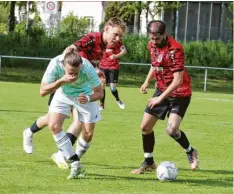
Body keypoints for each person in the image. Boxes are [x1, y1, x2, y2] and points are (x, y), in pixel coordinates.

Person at [23, 17, 127, 168]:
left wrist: (97, 73)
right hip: (67, 83)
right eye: (115, 34)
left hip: (81, 86)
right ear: (106, 29)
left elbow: (90, 64)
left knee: (78, 121)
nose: (117, 39)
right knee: (51, 119)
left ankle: (64, 155)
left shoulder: (106, 45)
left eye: (120, 36)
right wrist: (64, 71)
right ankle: (29, 132)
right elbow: (70, 49)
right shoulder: (92, 38)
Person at [131, 20, 199, 175]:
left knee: (172, 130)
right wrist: (147, 81)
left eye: (157, 38)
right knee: (145, 127)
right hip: (161, 90)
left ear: (164, 34)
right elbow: (154, 64)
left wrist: (159, 98)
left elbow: (178, 80)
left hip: (180, 93)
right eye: (151, 38)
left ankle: (191, 151)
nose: (153, 42)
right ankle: (149, 162)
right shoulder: (151, 45)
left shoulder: (175, 49)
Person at [40, 49, 103, 179]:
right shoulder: (55, 64)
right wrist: (61, 81)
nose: (74, 76)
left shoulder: (87, 68)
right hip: (63, 93)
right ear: (63, 65)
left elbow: (100, 93)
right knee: (54, 125)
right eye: (70, 73)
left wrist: (88, 98)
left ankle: (76, 159)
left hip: (84, 94)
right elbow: (42, 91)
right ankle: (75, 163)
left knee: (88, 133)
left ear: (81, 66)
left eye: (76, 73)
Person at [99, 41, 127, 110]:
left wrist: (116, 56)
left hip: (113, 67)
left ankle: (118, 100)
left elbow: (124, 51)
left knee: (112, 88)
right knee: (102, 85)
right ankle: (102, 105)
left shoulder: (118, 42)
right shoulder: (102, 41)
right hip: (103, 66)